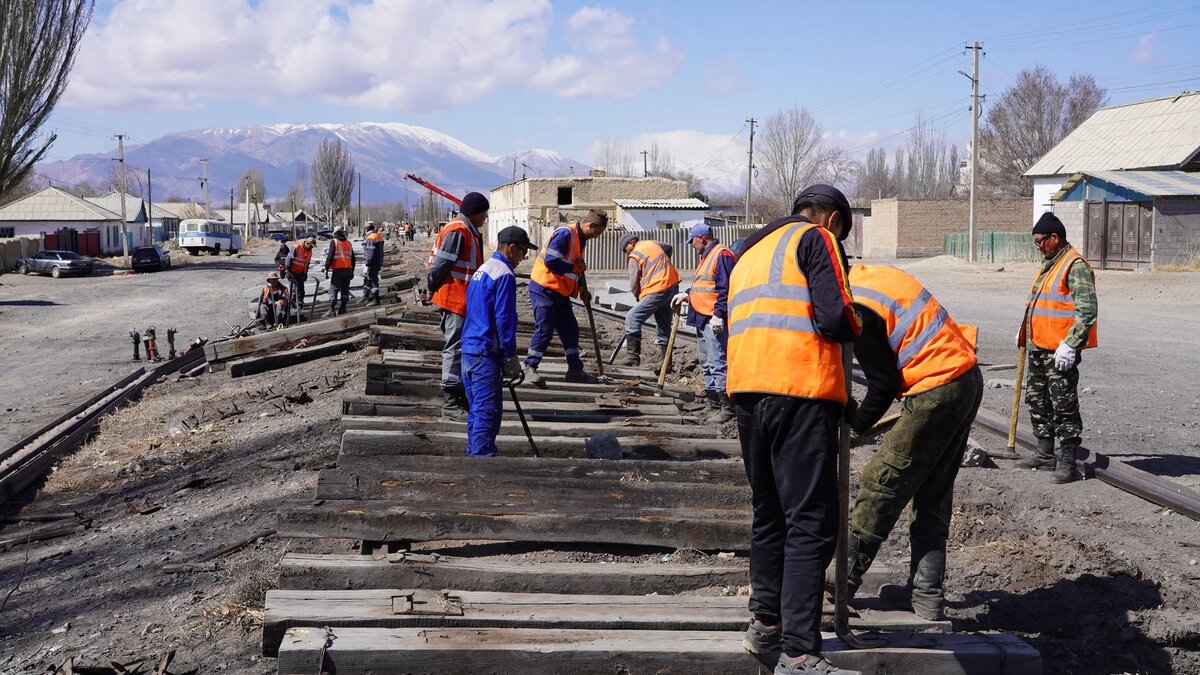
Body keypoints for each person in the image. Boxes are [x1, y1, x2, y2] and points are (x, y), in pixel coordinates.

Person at [728, 184, 861, 675]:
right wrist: (856, 325)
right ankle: (801, 652)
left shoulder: (748, 252)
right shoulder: (815, 238)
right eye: (841, 230)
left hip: (747, 393)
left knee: (770, 514)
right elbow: (834, 315)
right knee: (810, 522)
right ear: (830, 218)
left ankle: (765, 624)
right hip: (800, 391)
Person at [830, 263, 983, 622]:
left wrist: (856, 424)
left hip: (937, 389)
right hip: (966, 380)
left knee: (881, 482)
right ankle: (927, 594)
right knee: (933, 490)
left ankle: (837, 588)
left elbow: (881, 383)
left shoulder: (858, 305)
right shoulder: (872, 278)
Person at [1015, 212, 1098, 484]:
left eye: (1040, 241)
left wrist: (1071, 344)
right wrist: (1024, 331)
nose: (1038, 246)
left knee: (1063, 404)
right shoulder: (1050, 263)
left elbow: (1087, 311)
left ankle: (1068, 460)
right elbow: (1041, 304)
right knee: (1037, 400)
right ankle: (1045, 453)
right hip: (1039, 346)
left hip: (1059, 351)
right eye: (1035, 242)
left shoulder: (1074, 265)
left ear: (1055, 237)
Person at [461, 226, 537, 456]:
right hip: (486, 352)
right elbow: (504, 318)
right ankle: (482, 463)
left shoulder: (482, 270)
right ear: (511, 248)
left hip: (470, 350)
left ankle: (475, 454)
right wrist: (509, 355)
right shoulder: (504, 273)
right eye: (523, 251)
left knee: (476, 410)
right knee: (487, 412)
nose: (523, 258)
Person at [522, 210, 609, 387]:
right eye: (597, 233)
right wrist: (574, 268)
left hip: (560, 292)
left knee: (570, 329)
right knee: (545, 326)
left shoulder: (580, 240)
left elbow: (576, 269)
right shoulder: (565, 234)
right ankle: (529, 366)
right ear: (590, 225)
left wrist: (581, 288)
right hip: (544, 287)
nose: (596, 237)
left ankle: (575, 369)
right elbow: (552, 262)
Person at [427, 192, 488, 421]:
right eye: (484, 213)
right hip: (455, 298)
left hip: (462, 299)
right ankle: (450, 404)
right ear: (475, 212)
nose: (485, 218)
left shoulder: (467, 230)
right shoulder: (459, 230)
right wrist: (430, 287)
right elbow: (439, 265)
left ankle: (459, 397)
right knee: (454, 350)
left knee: (459, 348)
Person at [672, 223, 737, 423]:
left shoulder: (721, 254)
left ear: (701, 237)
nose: (691, 244)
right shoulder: (706, 256)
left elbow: (725, 287)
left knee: (718, 362)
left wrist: (719, 314)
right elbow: (704, 285)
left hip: (712, 318)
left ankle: (727, 408)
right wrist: (688, 294)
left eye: (692, 240)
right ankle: (713, 403)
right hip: (701, 316)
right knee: (707, 362)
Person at [619, 233, 681, 368]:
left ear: (631, 243)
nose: (626, 253)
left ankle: (632, 357)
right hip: (672, 285)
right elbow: (669, 247)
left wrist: (637, 296)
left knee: (632, 317)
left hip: (657, 289)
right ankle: (666, 364)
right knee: (664, 325)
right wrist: (662, 266)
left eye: (625, 249)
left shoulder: (634, 256)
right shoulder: (653, 243)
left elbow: (634, 284)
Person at [323, 225, 356, 317]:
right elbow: (353, 259)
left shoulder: (334, 242)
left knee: (333, 289)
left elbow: (330, 256)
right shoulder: (348, 243)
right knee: (345, 289)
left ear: (335, 233)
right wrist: (352, 270)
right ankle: (343, 308)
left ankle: (331, 309)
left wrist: (326, 268)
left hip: (338, 270)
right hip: (348, 270)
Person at [284, 236, 317, 310]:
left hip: (301, 272)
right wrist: (288, 271)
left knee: (301, 290)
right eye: (311, 246)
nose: (311, 248)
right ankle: (292, 305)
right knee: (293, 290)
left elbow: (307, 264)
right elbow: (288, 259)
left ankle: (300, 304)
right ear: (307, 243)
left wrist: (305, 274)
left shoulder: (309, 252)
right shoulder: (297, 247)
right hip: (293, 272)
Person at [362, 223, 385, 306]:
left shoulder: (371, 237)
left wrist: (367, 264)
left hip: (373, 262)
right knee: (369, 279)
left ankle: (375, 299)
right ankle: (366, 296)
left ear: (367, 228)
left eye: (365, 228)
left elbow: (370, 252)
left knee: (373, 280)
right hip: (377, 261)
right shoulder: (377, 235)